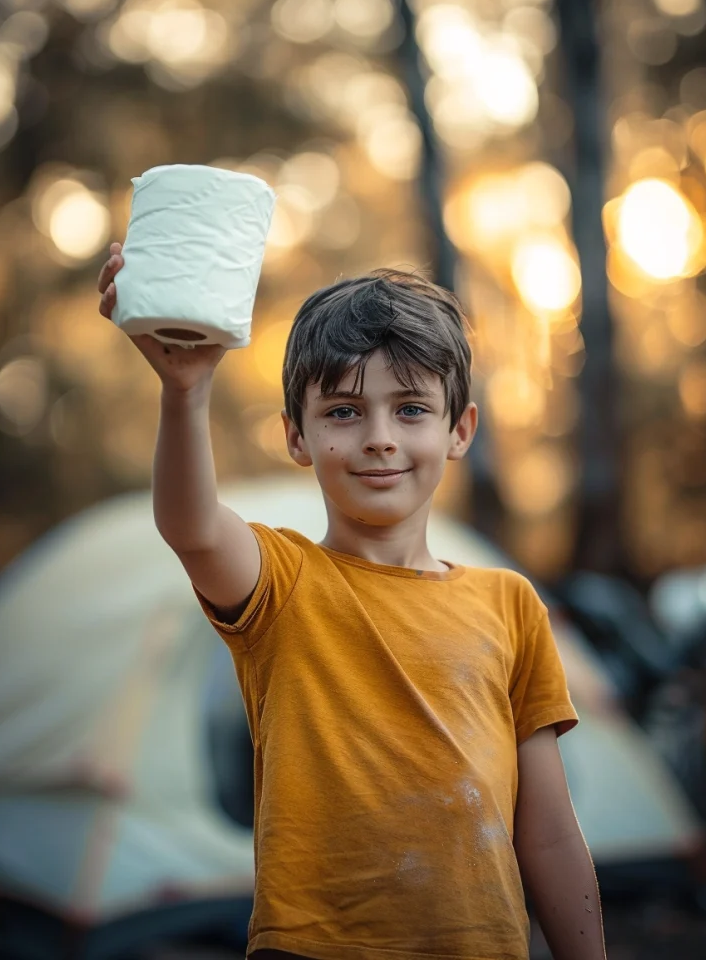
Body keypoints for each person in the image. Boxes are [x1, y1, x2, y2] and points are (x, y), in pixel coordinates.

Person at [97, 241, 607, 960]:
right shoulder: (280, 580)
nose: (378, 439)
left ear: (457, 430)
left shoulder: (509, 603)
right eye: (342, 412)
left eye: (409, 409)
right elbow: (190, 525)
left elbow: (549, 830)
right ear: (296, 437)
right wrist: (185, 391)